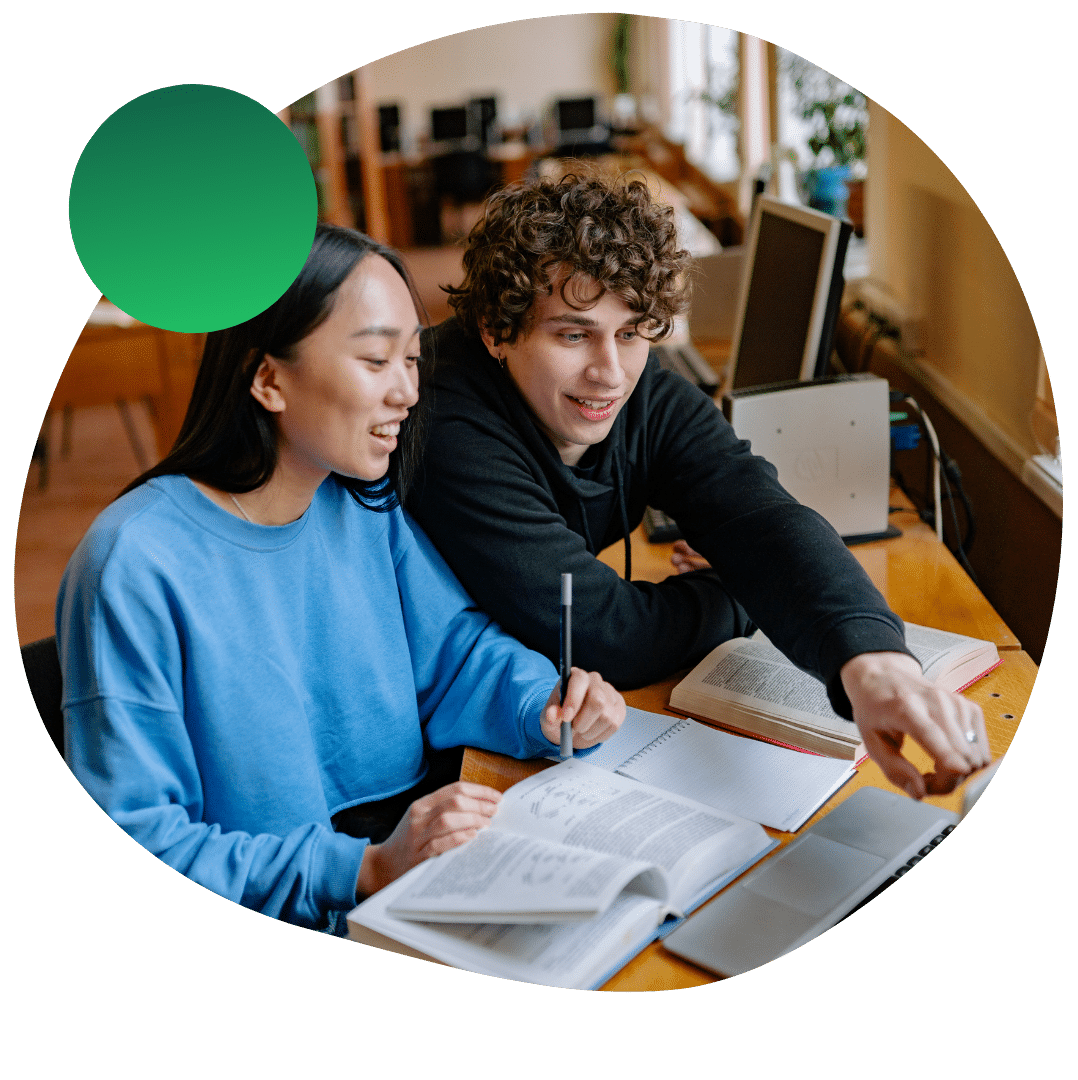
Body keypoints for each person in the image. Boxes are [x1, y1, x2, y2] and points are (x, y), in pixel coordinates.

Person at [56, 224, 624, 932]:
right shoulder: (133, 564)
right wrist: (363, 869)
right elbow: (140, 845)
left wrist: (540, 703)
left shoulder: (359, 502)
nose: (408, 393)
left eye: (413, 361)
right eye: (377, 360)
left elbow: (454, 653)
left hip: (401, 882)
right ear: (268, 377)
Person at [406, 172, 990, 800]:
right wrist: (733, 588)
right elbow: (605, 633)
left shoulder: (640, 386)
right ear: (497, 329)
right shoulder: (441, 415)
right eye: (573, 334)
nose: (610, 373)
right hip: (430, 759)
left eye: (631, 332)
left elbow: (758, 515)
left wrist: (874, 662)